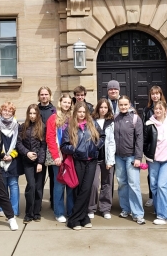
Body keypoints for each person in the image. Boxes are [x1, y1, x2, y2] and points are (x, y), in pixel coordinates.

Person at [61, 101, 105, 230]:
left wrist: (96, 147)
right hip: (77, 161)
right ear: (75, 112)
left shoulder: (93, 123)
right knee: (78, 189)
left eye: (83, 112)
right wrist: (75, 149)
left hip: (91, 160)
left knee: (87, 188)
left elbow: (102, 136)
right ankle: (80, 218)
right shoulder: (70, 126)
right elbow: (64, 146)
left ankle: (77, 217)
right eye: (79, 112)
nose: (81, 114)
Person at [144, 100, 167, 225]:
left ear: (165, 110)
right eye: (155, 109)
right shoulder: (149, 123)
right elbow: (145, 141)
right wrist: (146, 153)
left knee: (162, 185)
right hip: (154, 160)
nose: (157, 111)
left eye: (160, 108)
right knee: (153, 186)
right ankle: (159, 212)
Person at [114, 95, 145, 225]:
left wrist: (138, 157)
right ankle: (125, 208)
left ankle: (138, 213)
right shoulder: (115, 118)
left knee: (134, 184)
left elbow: (139, 139)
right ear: (118, 105)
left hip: (131, 156)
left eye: (125, 104)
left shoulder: (135, 119)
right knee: (122, 183)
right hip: (118, 156)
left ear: (130, 104)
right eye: (121, 105)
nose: (123, 107)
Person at [46, 93, 74, 223]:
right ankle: (59, 212)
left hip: (71, 156)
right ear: (60, 103)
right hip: (58, 155)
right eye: (65, 102)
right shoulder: (53, 118)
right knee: (59, 185)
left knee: (71, 184)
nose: (67, 105)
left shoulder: (73, 118)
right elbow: (50, 138)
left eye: (69, 103)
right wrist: (56, 156)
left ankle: (71, 211)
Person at [16, 104, 47, 224]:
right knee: (31, 186)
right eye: (30, 113)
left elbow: (44, 146)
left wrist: (40, 162)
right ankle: (29, 213)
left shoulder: (42, 127)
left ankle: (36, 212)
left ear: (38, 114)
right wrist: (27, 153)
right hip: (27, 162)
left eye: (34, 113)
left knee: (39, 188)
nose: (32, 116)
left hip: (39, 163)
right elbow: (19, 143)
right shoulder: (23, 127)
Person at [142, 86, 167, 207]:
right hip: (153, 148)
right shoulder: (147, 109)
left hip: (165, 148)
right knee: (152, 177)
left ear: (161, 94)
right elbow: (145, 127)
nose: (155, 96)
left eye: (157, 94)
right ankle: (152, 197)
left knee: (163, 179)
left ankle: (164, 198)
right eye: (153, 94)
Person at [88, 98, 115, 220]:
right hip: (94, 158)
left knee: (107, 183)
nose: (103, 110)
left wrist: (110, 160)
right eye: (101, 107)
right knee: (93, 184)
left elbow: (112, 142)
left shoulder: (111, 122)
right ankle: (91, 208)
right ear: (97, 108)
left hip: (107, 158)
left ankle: (105, 208)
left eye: (105, 107)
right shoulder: (91, 121)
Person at [0, 102, 22, 217]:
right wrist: (2, 155)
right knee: (3, 186)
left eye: (10, 111)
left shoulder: (17, 126)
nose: (7, 113)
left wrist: (11, 155)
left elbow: (19, 143)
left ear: (13, 113)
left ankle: (14, 210)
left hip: (13, 160)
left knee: (13, 184)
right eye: (5, 110)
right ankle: (3, 208)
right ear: (1, 111)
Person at [37, 86, 56, 210]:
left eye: (46, 94)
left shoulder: (55, 110)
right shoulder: (35, 109)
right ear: (39, 96)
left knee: (54, 178)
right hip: (39, 147)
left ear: (50, 95)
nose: (44, 96)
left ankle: (54, 202)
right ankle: (37, 205)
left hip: (52, 147)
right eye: (42, 94)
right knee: (39, 179)